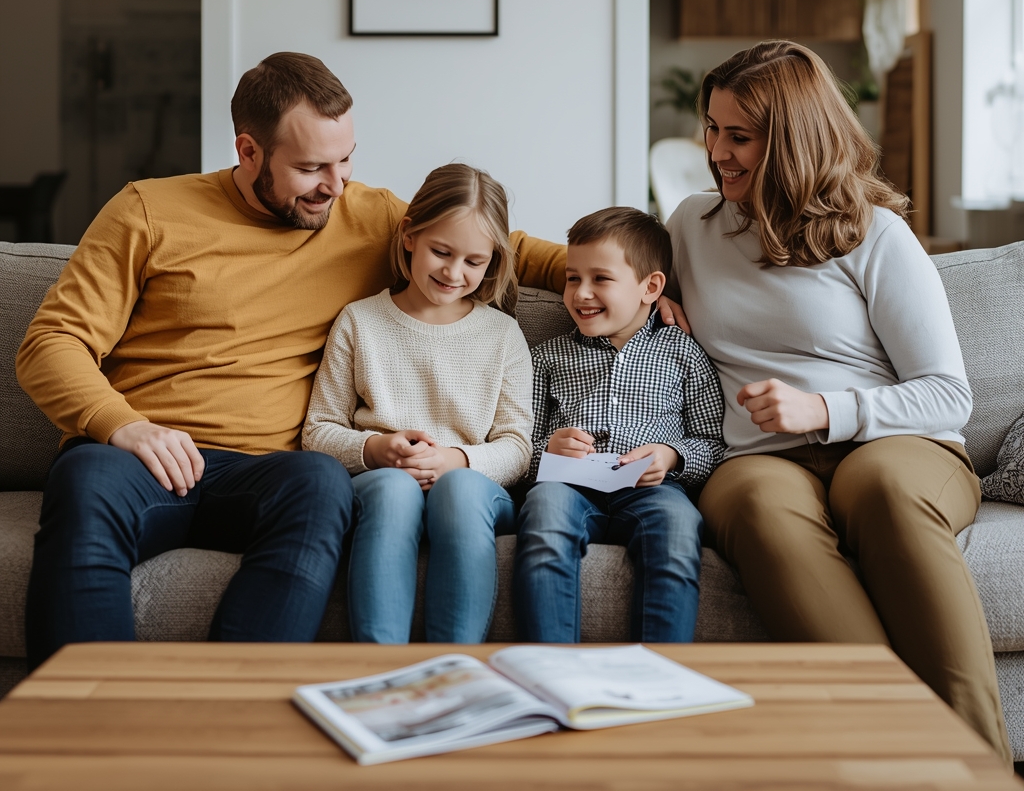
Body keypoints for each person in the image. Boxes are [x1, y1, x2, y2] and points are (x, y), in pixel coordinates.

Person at [16, 52, 565, 668]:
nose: (335, 184)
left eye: (346, 158)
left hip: (269, 474)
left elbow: (497, 243)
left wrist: (627, 279)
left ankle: (237, 708)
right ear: (249, 152)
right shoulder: (147, 211)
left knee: (322, 482)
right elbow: (50, 343)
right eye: (310, 167)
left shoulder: (365, 213)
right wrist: (124, 425)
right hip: (144, 459)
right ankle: (87, 719)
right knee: (85, 477)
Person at [664, 40, 1011, 763]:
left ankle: (978, 768)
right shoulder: (690, 229)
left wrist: (824, 410)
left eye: (739, 136)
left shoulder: (874, 235)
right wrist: (646, 303)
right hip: (760, 456)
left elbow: (948, 394)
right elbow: (591, 260)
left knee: (878, 486)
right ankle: (900, 756)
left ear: (791, 141)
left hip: (900, 446)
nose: (716, 151)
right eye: (712, 127)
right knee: (755, 503)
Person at [303, 164, 531, 643]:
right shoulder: (360, 322)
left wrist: (457, 459)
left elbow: (517, 445)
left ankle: (455, 669)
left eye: (474, 261)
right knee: (393, 490)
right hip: (383, 483)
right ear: (409, 236)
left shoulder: (502, 335)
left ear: (492, 261)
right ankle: (382, 668)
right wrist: (377, 450)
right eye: (441, 252)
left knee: (460, 490)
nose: (453, 273)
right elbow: (318, 430)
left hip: (473, 491)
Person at [513, 207, 725, 643]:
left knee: (677, 528)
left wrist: (672, 456)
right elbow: (515, 443)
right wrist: (547, 450)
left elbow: (713, 440)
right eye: (573, 277)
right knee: (545, 515)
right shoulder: (547, 357)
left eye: (600, 279)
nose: (581, 293)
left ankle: (660, 670)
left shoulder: (683, 352)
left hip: (653, 489)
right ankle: (552, 667)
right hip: (567, 486)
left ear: (651, 287)